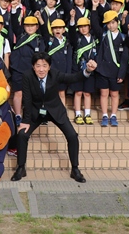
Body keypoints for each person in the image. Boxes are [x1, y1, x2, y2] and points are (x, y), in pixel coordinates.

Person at [11, 52, 97, 183]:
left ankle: (75, 169)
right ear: (33, 67)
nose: (41, 69)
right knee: (22, 135)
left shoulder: (55, 74)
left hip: (55, 110)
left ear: (49, 67)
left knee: (73, 136)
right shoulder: (27, 76)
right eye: (38, 66)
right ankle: (21, 167)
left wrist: (87, 70)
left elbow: (73, 78)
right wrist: (25, 121)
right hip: (36, 112)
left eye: (44, 66)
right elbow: (27, 99)